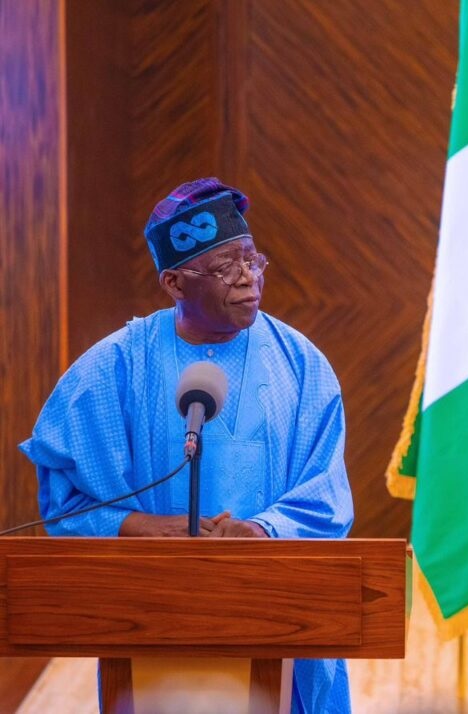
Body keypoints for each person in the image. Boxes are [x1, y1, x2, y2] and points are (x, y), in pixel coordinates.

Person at [20, 178, 354, 713]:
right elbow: (66, 499)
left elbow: (326, 493)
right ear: (175, 283)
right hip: (154, 616)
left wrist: (263, 530)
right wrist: (140, 526)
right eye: (224, 268)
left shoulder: (301, 365)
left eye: (252, 260)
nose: (247, 278)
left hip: (278, 609)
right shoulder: (112, 369)